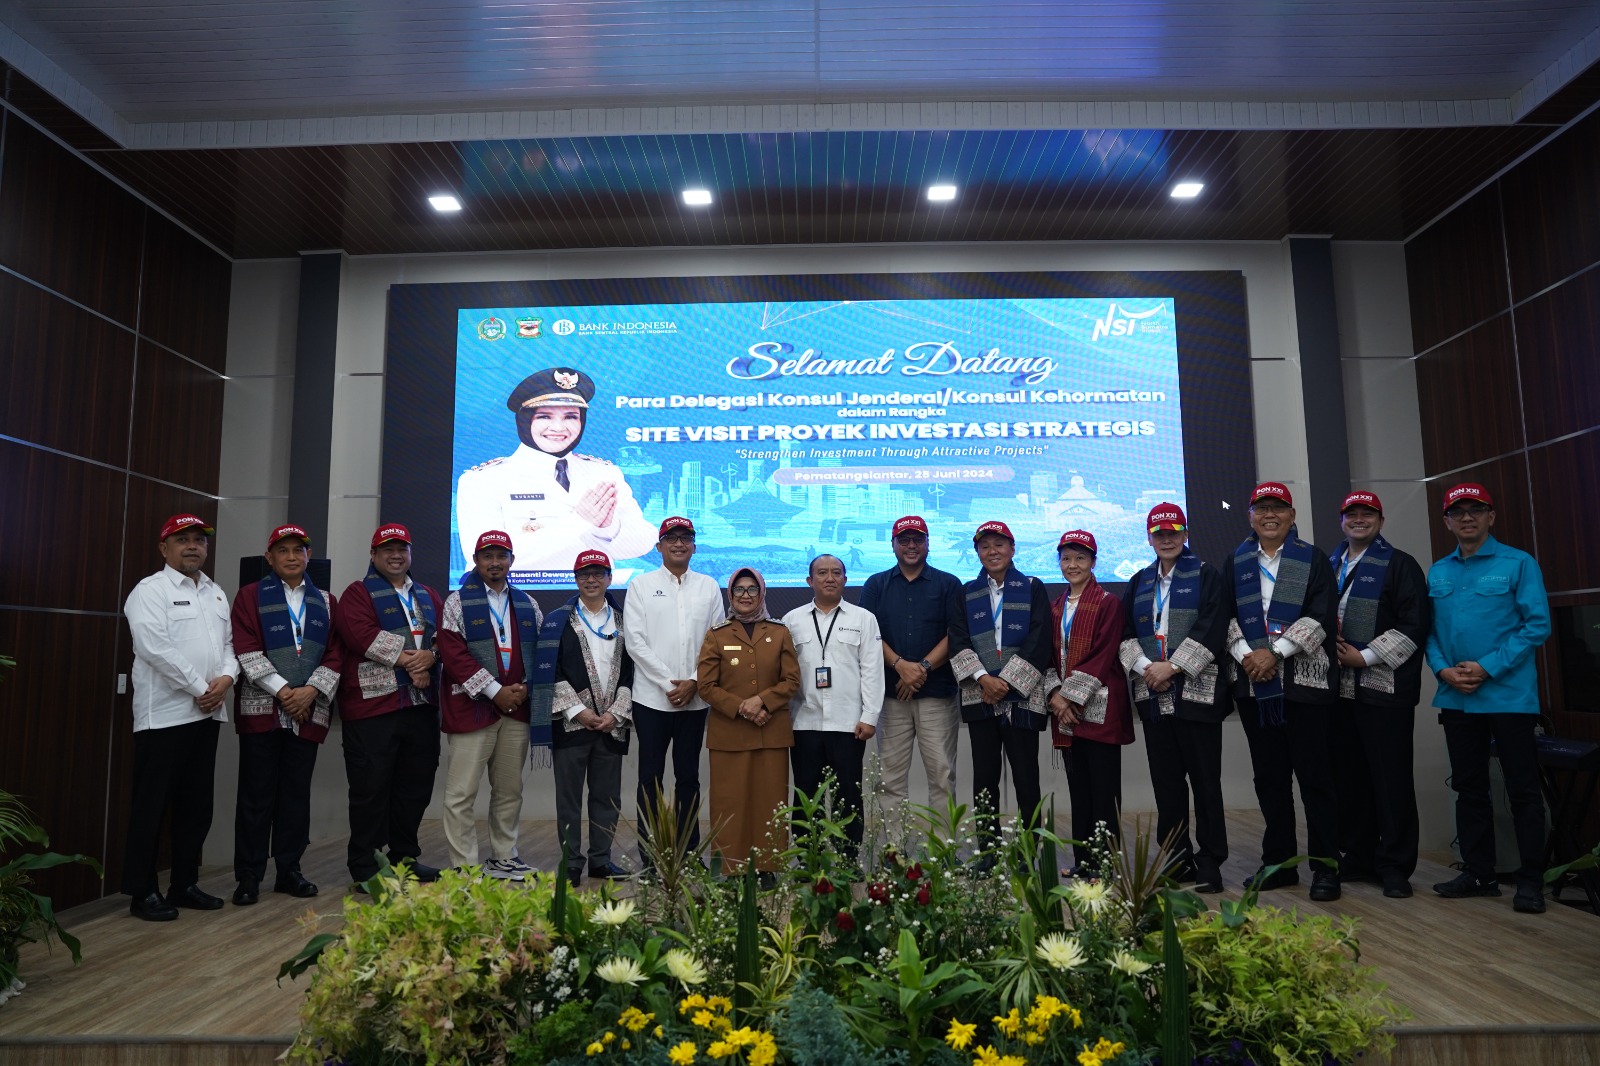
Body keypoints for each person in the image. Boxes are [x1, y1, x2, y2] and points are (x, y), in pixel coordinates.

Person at [1426, 482, 1551, 913]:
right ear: (1446, 521)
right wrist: (1442, 669)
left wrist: (1488, 666)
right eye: (1457, 512)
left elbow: (1536, 626)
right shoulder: (1438, 571)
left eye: (1475, 510)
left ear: (1490, 516)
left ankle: (1531, 881)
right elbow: (1430, 633)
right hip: (1456, 697)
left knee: (1522, 790)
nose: (1466, 518)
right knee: (1469, 787)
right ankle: (1478, 873)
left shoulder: (1518, 564)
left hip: (1508, 697)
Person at [1227, 483, 1341, 902]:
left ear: (1292, 516)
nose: (1269, 515)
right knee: (1270, 780)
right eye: (1262, 509)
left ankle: (1326, 868)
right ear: (1251, 515)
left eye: (1278, 509)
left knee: (1315, 780)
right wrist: (1249, 658)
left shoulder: (1312, 560)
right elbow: (1225, 616)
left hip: (1304, 687)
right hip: (1256, 688)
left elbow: (1321, 615)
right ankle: (1277, 863)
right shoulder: (1236, 560)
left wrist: (1273, 652)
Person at [121, 514, 238, 921]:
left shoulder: (215, 592)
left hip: (207, 715)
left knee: (195, 807)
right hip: (164, 718)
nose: (193, 546)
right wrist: (201, 688)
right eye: (183, 539)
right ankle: (142, 892)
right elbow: (154, 648)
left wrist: (225, 680)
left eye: (199, 540)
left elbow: (228, 646)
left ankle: (185, 884)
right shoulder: (148, 591)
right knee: (151, 807)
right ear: (164, 548)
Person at [1119, 503, 1234, 893]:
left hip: (1197, 694)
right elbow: (1125, 635)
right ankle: (1176, 857)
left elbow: (1213, 628)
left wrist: (1173, 667)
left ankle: (1210, 861)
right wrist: (1146, 669)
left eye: (1173, 532)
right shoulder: (1137, 581)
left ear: (1185, 535)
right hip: (1152, 694)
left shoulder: (1206, 576)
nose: (1166, 539)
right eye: (1159, 534)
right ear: (1149, 538)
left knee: (1205, 781)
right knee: (1166, 783)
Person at [228, 523, 340, 905]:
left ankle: (289, 871)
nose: (292, 557)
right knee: (256, 796)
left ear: (308, 556)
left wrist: (310, 691)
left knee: (295, 795)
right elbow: (245, 648)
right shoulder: (249, 596)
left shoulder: (327, 600)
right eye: (284, 551)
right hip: (262, 709)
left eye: (299, 550)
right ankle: (248, 876)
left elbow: (335, 652)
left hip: (308, 709)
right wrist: (284, 691)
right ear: (270, 558)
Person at [455, 366, 658, 572]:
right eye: (545, 417)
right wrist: (580, 521)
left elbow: (642, 543)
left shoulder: (604, 473)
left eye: (571, 417)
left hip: (593, 597)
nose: (559, 428)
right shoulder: (483, 480)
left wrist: (607, 528)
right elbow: (487, 560)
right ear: (525, 421)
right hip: (518, 600)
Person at [1327, 492, 1430, 899]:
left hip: (1383, 688)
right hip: (1338, 693)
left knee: (1391, 780)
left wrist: (1364, 657)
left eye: (1367, 514)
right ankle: (1358, 856)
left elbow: (1415, 624)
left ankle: (1394, 865)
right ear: (1342, 521)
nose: (1358, 520)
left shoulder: (1401, 564)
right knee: (1348, 778)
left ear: (1380, 521)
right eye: (1351, 513)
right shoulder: (1330, 564)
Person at [334, 524, 444, 886]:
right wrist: (415, 660)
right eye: (387, 550)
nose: (395, 556)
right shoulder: (357, 593)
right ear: (373, 555)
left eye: (402, 549)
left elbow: (446, 636)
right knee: (371, 789)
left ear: (410, 554)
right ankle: (366, 866)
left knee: (415, 787)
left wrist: (432, 655)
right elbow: (359, 635)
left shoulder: (427, 594)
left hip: (420, 706)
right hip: (373, 711)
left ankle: (404, 859)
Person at [436, 530, 546, 880]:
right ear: (476, 560)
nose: (495, 562)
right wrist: (495, 690)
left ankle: (503, 856)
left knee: (509, 789)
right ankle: (465, 865)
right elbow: (454, 656)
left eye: (502, 556)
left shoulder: (528, 603)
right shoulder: (456, 602)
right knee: (461, 793)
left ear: (512, 560)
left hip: (517, 708)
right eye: (488, 556)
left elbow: (542, 653)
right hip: (473, 710)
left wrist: (524, 689)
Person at [621, 517, 726, 868]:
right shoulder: (640, 585)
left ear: (694, 545)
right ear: (659, 546)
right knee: (649, 779)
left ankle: (688, 851)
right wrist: (670, 684)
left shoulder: (709, 587)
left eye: (686, 538)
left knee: (689, 779)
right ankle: (651, 857)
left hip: (695, 701)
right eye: (671, 538)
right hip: (651, 700)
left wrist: (695, 681)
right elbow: (635, 642)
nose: (679, 543)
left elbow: (717, 642)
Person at [948, 520, 1053, 860]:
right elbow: (958, 640)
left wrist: (1006, 682)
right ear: (977, 552)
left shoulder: (1033, 587)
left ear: (1012, 548)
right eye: (984, 546)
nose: (992, 551)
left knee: (1026, 779)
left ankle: (1027, 853)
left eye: (999, 545)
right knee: (985, 779)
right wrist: (983, 678)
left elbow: (1039, 639)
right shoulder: (966, 592)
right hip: (981, 696)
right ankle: (988, 853)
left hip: (1022, 698)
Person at [858, 515, 962, 829]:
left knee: (942, 776)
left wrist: (922, 669)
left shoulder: (948, 583)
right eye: (904, 540)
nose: (911, 546)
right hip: (891, 696)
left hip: (937, 695)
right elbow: (869, 634)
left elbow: (954, 633)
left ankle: (942, 852)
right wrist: (900, 666)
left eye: (918, 539)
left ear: (928, 543)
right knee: (890, 778)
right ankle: (895, 852)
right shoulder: (876, 584)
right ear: (893, 545)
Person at [536, 550, 634, 883]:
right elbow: (552, 670)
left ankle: (601, 860)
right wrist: (580, 711)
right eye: (584, 574)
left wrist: (614, 713)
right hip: (571, 724)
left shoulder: (626, 621)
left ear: (609, 577)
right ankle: (572, 863)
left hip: (612, 725)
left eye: (598, 574)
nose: (591, 580)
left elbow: (633, 671)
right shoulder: (557, 621)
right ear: (575, 579)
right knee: (568, 798)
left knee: (607, 797)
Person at [697, 568, 801, 879]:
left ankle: (768, 867)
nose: (745, 595)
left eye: (752, 589)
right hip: (730, 733)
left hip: (771, 731)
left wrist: (763, 701)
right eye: (739, 590)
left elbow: (792, 680)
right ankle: (730, 868)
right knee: (730, 802)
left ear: (762, 594)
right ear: (730, 595)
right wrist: (743, 707)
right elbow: (705, 686)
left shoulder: (780, 632)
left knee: (770, 801)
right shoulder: (716, 634)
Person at [781, 554, 884, 864]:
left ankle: (848, 859)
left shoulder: (863, 618)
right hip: (804, 722)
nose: (829, 577)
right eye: (822, 573)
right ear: (809, 580)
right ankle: (808, 859)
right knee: (806, 795)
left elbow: (872, 670)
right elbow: (783, 673)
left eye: (836, 572)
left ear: (845, 579)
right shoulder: (791, 620)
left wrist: (870, 716)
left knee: (848, 796)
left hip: (849, 723)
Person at [1044, 530, 1132, 877]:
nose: (1073, 565)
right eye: (1066, 558)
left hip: (1101, 709)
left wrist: (1068, 696)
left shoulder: (1109, 602)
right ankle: (1084, 862)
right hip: (1066, 713)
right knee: (1079, 789)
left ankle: (1105, 863)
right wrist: (1055, 696)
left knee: (1103, 790)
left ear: (1093, 562)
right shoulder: (1055, 606)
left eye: (1080, 558)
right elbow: (1049, 654)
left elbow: (1103, 653)